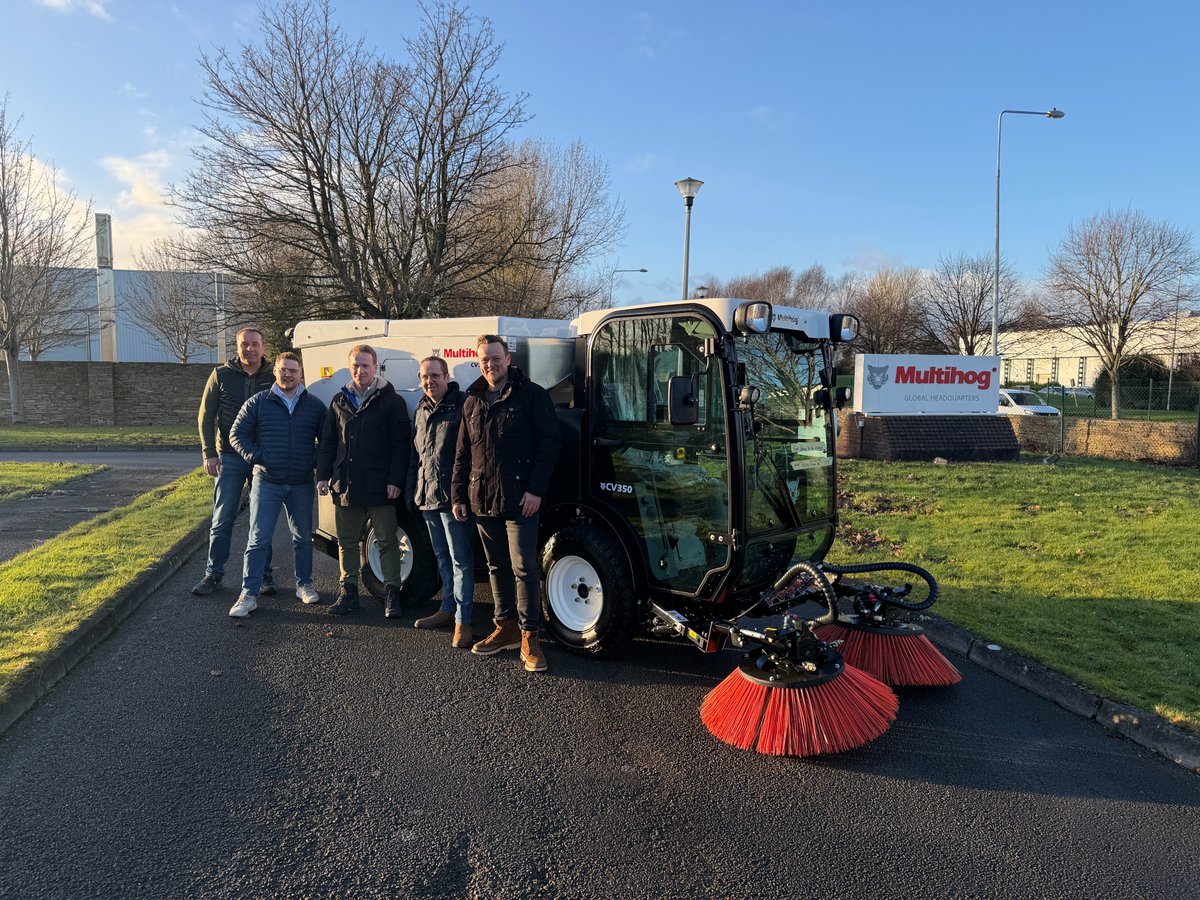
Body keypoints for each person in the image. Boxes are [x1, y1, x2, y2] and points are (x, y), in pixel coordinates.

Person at [451, 335, 561, 672]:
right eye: (484, 359)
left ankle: (530, 635)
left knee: (524, 568)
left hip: (520, 500)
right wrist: (458, 495)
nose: (490, 364)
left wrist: (536, 490)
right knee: (496, 567)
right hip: (482, 500)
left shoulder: (532, 395)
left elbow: (550, 444)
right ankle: (506, 627)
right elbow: (462, 453)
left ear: (508, 359)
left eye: (495, 358)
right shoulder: (472, 401)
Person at [227, 351, 326, 618]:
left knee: (302, 538)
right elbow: (237, 434)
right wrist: (258, 457)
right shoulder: (259, 402)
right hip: (267, 480)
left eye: (293, 370)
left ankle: (304, 585)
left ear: (301, 373)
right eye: (283, 369)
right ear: (275, 371)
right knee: (258, 539)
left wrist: (311, 461)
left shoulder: (314, 406)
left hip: (301, 483)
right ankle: (249, 594)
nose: (288, 374)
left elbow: (328, 441)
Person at [316, 344, 411, 619]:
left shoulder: (392, 401)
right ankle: (349, 593)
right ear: (350, 368)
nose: (360, 370)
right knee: (346, 543)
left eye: (365, 365)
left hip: (381, 485)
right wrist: (323, 476)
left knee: (387, 541)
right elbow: (329, 442)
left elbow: (401, 445)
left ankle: (392, 594)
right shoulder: (339, 401)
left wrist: (395, 480)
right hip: (346, 484)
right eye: (356, 365)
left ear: (375, 367)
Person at [192, 326, 276, 597]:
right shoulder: (221, 375)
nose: (249, 349)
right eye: (244, 344)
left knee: (261, 519)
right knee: (222, 517)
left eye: (255, 344)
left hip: (261, 458)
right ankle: (213, 574)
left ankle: (264, 576)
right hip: (228, 457)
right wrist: (209, 453)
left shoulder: (274, 376)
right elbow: (206, 416)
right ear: (237, 346)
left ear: (263, 347)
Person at [410, 356, 475, 648]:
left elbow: (470, 454)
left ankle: (463, 619)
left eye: (435, 375)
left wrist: (462, 494)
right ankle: (447, 608)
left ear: (447, 376)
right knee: (442, 557)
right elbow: (417, 455)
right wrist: (414, 490)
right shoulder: (421, 409)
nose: (429, 381)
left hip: (453, 498)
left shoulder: (463, 404)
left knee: (461, 560)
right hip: (427, 497)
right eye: (425, 377)